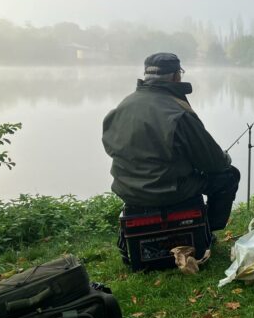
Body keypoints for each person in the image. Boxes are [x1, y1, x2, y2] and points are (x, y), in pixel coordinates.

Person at [102, 52, 240, 232]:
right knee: (228, 176)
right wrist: (225, 159)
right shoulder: (178, 113)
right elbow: (214, 163)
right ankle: (208, 230)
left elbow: (110, 147)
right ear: (176, 76)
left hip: (128, 189)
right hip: (169, 191)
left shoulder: (122, 107)